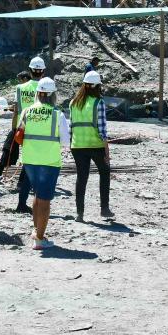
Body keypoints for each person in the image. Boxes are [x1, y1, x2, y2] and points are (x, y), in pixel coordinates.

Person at [19, 76, 70, 250]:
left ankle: (36, 231)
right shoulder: (58, 114)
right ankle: (40, 239)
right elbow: (65, 141)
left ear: (38, 94)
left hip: (30, 160)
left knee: (37, 195)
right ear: (52, 95)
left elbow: (20, 134)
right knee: (45, 200)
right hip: (49, 161)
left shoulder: (27, 111)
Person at [69, 70, 114, 223]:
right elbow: (102, 128)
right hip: (95, 144)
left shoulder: (73, 102)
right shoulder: (98, 102)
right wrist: (106, 149)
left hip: (77, 145)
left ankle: (80, 213)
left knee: (82, 178)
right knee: (105, 172)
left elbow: (71, 126)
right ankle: (104, 208)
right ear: (97, 86)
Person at [7, 56, 46, 214]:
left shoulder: (20, 88)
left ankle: (22, 201)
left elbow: (17, 109)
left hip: (23, 129)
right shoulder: (45, 87)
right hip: (42, 130)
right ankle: (35, 200)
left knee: (28, 162)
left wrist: (14, 128)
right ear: (42, 71)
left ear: (30, 70)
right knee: (39, 166)